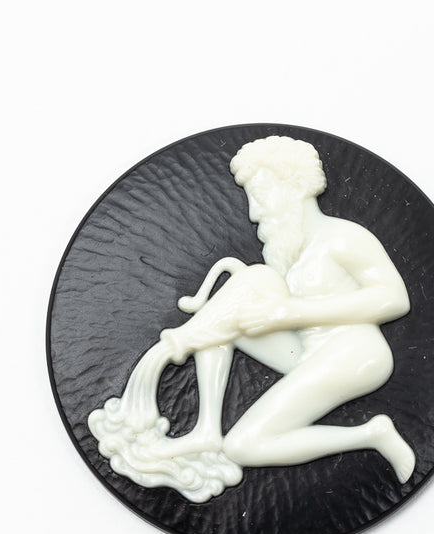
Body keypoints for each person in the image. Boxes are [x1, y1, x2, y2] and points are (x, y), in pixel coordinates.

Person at [151, 135, 416, 483]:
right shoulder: (287, 251)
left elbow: (394, 299)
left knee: (242, 447)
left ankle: (370, 435)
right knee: (225, 313)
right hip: (306, 352)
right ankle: (206, 429)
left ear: (295, 186)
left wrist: (292, 312)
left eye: (260, 196)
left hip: (354, 354)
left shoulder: (343, 237)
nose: (254, 212)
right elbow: (269, 304)